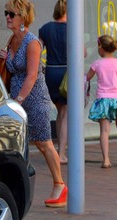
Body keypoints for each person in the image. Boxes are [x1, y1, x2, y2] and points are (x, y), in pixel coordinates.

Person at [0, 0, 67, 207]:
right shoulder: (12, 40)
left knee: (44, 142)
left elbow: (31, 76)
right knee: (19, 144)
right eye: (6, 13)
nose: (8, 17)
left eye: (12, 14)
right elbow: (12, 70)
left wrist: (18, 100)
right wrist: (5, 58)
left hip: (35, 99)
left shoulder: (32, 43)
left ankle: (59, 184)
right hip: (17, 99)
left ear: (23, 17)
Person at [86, 35, 117, 168]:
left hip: (103, 99)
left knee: (104, 130)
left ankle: (106, 159)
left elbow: (87, 77)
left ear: (101, 47)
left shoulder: (97, 63)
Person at [38, 0, 67, 164]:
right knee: (66, 113)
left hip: (51, 72)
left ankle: (58, 149)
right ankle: (61, 153)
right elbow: (82, 52)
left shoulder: (45, 28)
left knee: (59, 111)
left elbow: (38, 47)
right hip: (67, 73)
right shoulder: (72, 28)